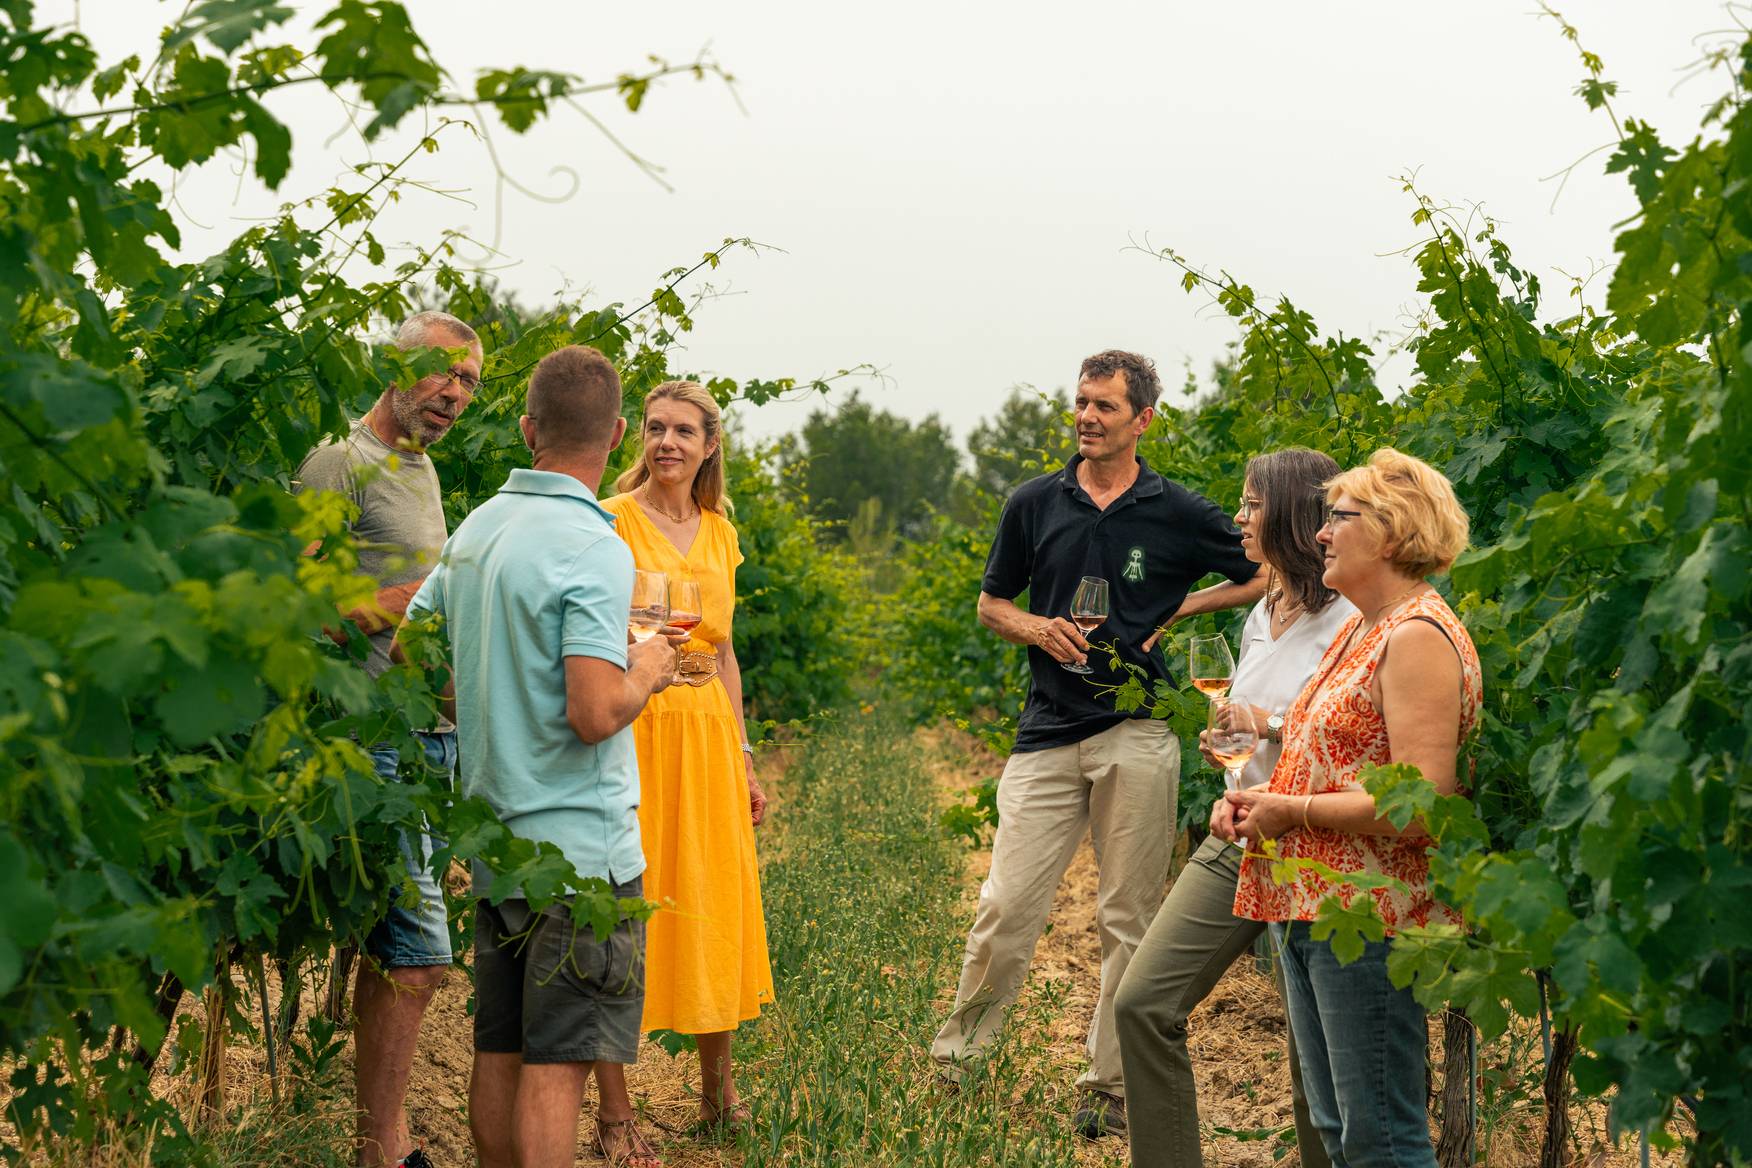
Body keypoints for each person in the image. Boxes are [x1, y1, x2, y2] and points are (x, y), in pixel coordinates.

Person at [930, 349, 1265, 1139]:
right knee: (1006, 906)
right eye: (1081, 402)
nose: (1086, 417)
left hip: (1138, 730)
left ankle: (1111, 1089)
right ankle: (957, 1066)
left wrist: (1179, 611)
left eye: (1104, 406)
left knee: (1128, 918)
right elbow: (990, 602)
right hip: (1046, 730)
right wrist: (1034, 629)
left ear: (1143, 419)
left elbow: (1258, 570)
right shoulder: (1034, 502)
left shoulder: (1177, 510)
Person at [402, 345, 677, 1168]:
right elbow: (594, 713)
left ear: (527, 430)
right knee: (558, 1071)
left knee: (502, 1052)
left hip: (497, 841)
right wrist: (650, 670)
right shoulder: (594, 545)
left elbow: (417, 667)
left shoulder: (480, 526)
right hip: (579, 854)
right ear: (621, 433)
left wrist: (494, 701)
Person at [1227, 448, 1481, 1168]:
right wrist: (1259, 802)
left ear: (1394, 533)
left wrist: (1293, 811)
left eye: (1340, 517)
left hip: (1371, 912)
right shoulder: (1361, 630)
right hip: (1316, 903)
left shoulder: (1417, 636)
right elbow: (1326, 754)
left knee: (1383, 1141)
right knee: (1344, 1133)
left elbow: (1423, 803)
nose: (1320, 533)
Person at [1113, 448, 1353, 1168]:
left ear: (1292, 514)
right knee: (1143, 1004)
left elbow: (1339, 732)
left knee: (1315, 1054)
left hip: (1313, 842)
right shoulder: (1261, 613)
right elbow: (1241, 717)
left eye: (1252, 505)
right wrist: (1234, 743)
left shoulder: (1350, 617)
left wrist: (1265, 724)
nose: (1239, 519)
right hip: (1237, 836)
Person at [294, 309, 482, 1168]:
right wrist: (398, 602)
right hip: (371, 742)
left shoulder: (423, 470)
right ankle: (389, 1153)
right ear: (393, 367)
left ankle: (378, 1144)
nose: (453, 393)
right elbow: (291, 612)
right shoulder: (341, 463)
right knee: (418, 960)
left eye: (470, 382)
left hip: (429, 738)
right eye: (441, 372)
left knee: (394, 955)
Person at [591, 382, 775, 1164]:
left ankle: (717, 1096)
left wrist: (742, 754)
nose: (669, 442)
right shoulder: (609, 521)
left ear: (709, 445)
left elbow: (726, 654)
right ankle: (614, 1113)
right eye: (657, 428)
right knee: (626, 911)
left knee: (713, 901)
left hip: (704, 735)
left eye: (684, 431)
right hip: (636, 729)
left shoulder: (722, 532)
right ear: (642, 438)